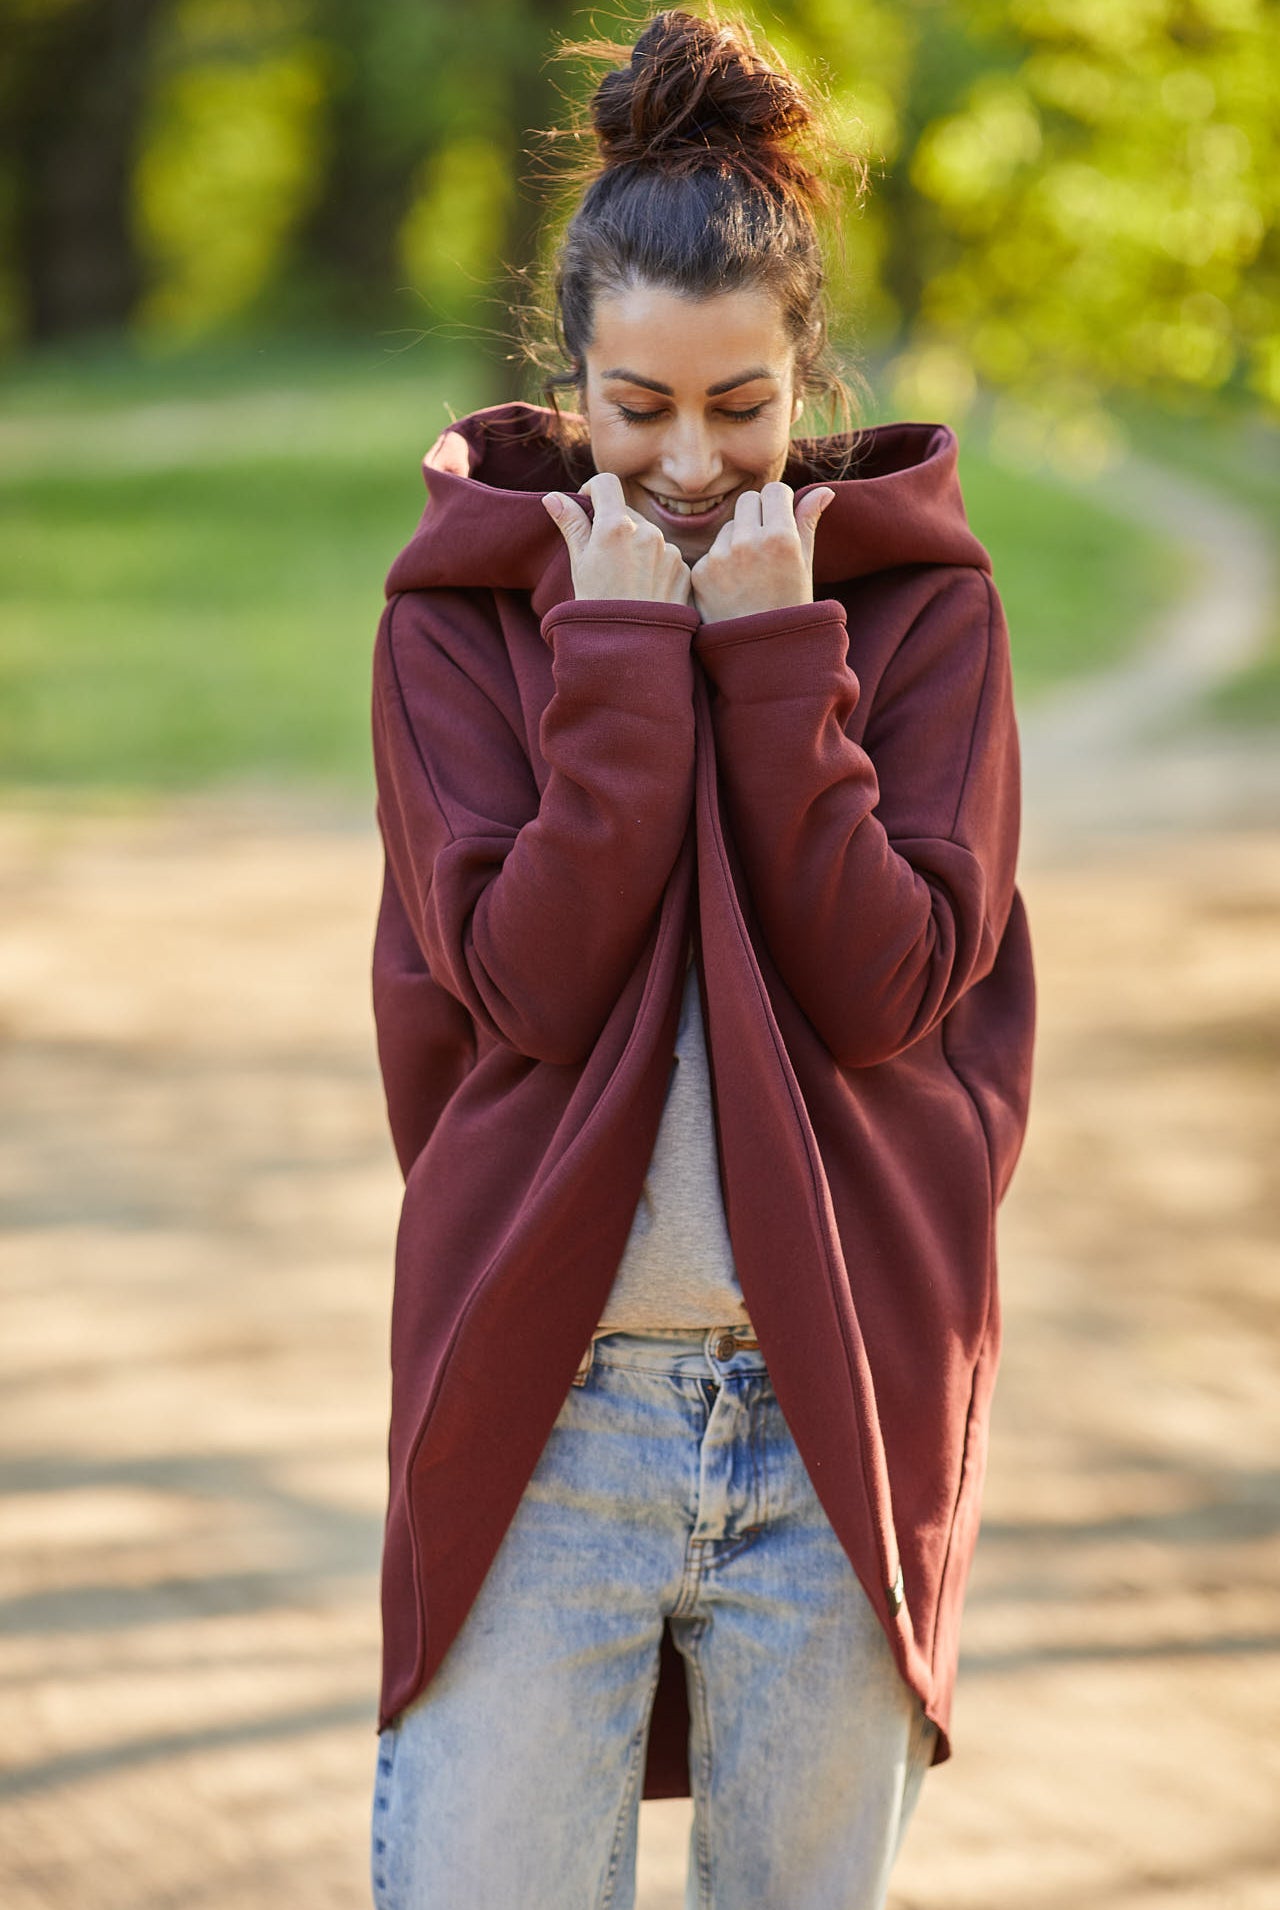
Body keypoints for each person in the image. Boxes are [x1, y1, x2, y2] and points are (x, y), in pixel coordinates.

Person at [367, 9, 1036, 1907]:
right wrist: (620, 654)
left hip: (832, 1409)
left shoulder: (918, 617)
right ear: (570, 379)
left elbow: (889, 985)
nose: (681, 460)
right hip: (544, 1411)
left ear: (803, 373)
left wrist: (767, 657)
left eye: (738, 407)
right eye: (634, 408)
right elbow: (527, 989)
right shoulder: (463, 623)